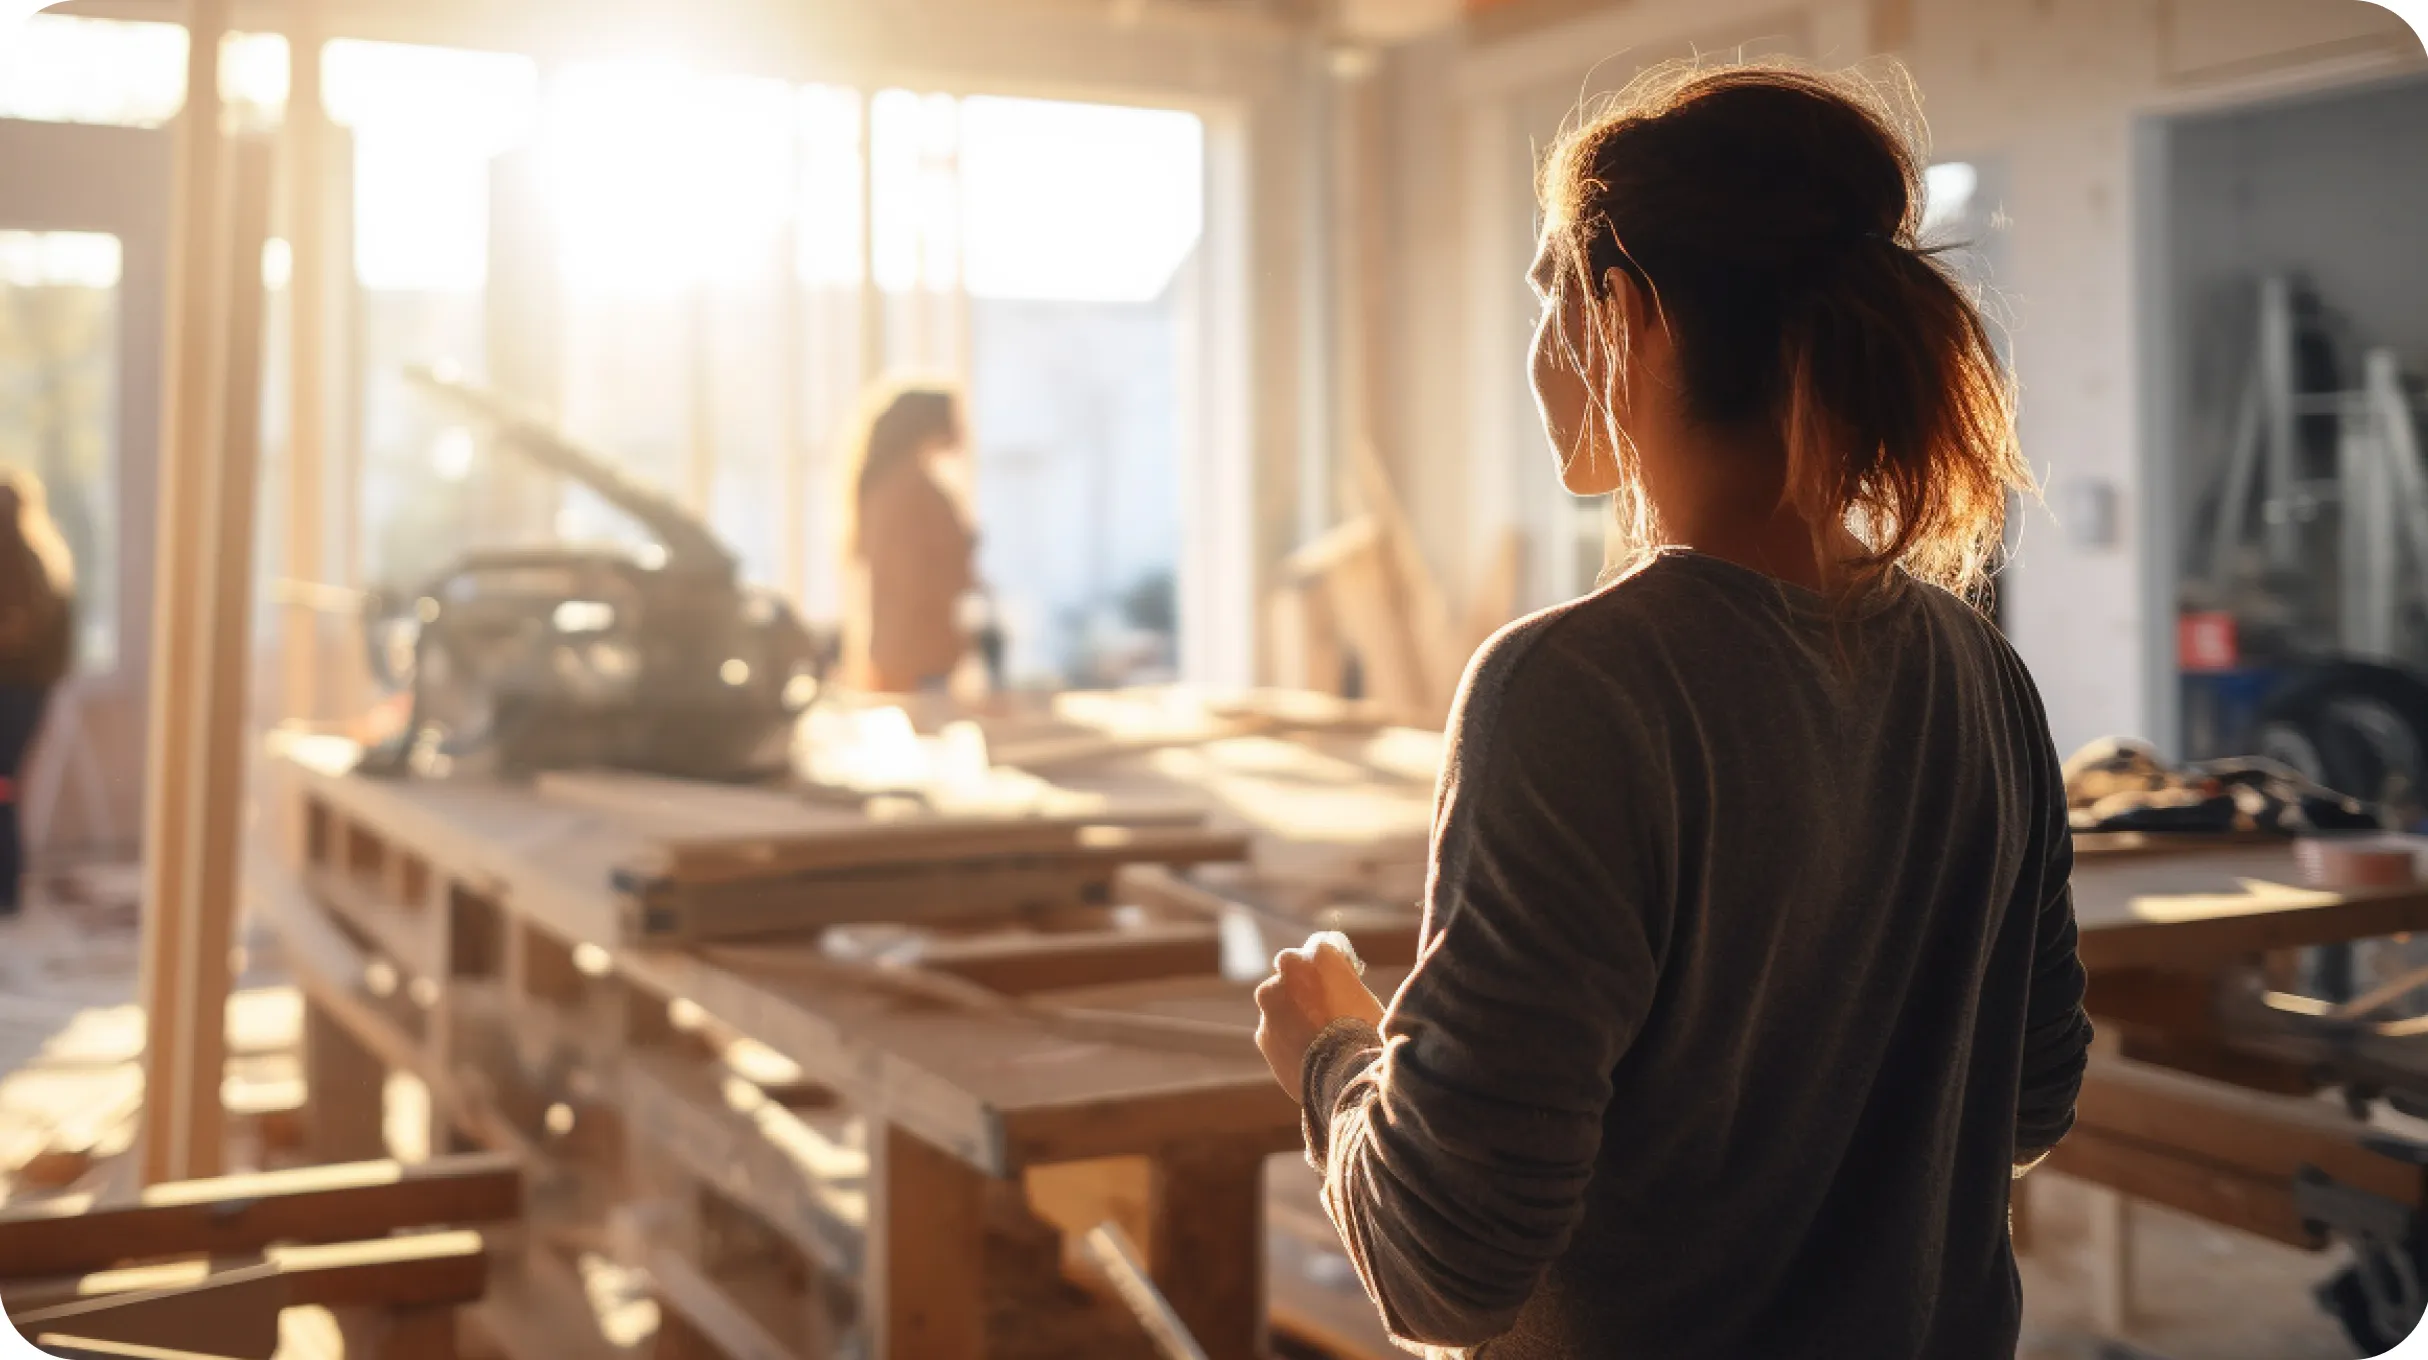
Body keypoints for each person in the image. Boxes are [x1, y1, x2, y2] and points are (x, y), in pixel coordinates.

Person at [1253, 60, 2092, 1359]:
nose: (1538, 352)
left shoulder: (1572, 691)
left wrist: (1334, 1060)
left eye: (1550, 298)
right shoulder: (1983, 675)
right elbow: (2029, 1101)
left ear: (1625, 318)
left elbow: (1443, 1273)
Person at [834, 382, 982, 696]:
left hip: (915, 647)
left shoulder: (902, 484)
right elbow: (908, 575)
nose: (963, 429)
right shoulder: (906, 490)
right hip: (914, 652)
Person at [0, 467, 73, 917]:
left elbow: (19, 632)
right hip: (27, 692)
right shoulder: (38, 556)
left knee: (3, 787)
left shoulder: (21, 561)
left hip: (16, 693)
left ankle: (7, 886)